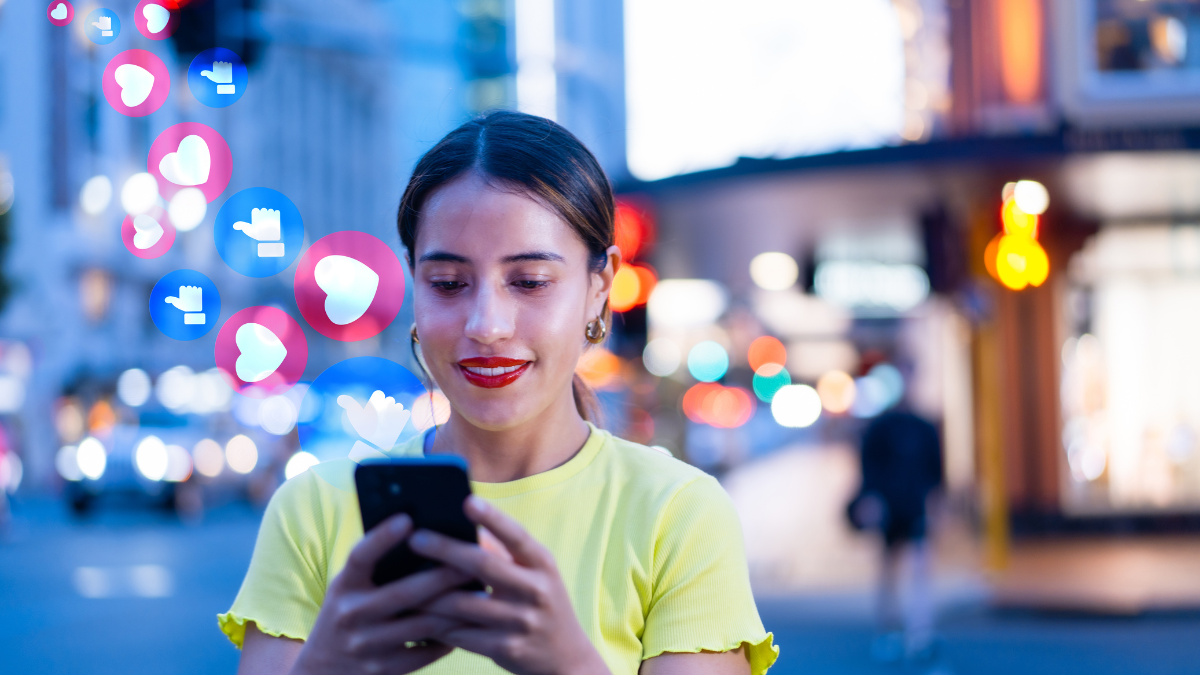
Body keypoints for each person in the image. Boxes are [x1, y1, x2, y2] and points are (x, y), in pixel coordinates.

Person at [219, 111, 778, 675]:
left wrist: (568, 663)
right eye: (448, 284)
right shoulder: (313, 512)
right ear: (414, 285)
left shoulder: (676, 514)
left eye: (530, 281)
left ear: (599, 287)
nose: (487, 324)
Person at [848, 406, 943, 662]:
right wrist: (872, 499)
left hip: (915, 506)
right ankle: (890, 629)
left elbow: (935, 470)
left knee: (919, 567)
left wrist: (936, 504)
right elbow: (868, 468)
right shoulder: (883, 426)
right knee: (889, 570)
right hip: (890, 508)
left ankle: (920, 631)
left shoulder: (922, 425)